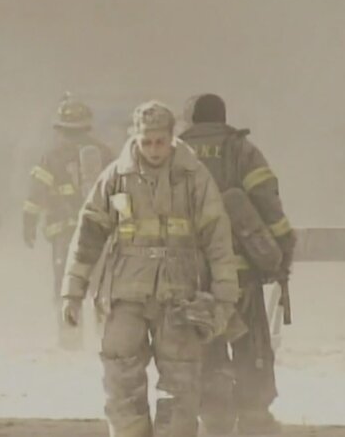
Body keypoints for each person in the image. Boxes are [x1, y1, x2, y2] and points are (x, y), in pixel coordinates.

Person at [61, 100, 244, 437]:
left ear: (171, 138)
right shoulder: (116, 176)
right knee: (120, 375)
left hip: (179, 294)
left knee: (180, 382)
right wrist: (72, 291)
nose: (153, 149)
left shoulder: (194, 177)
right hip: (125, 292)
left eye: (160, 141)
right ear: (137, 138)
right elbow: (88, 235)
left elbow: (218, 239)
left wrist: (224, 296)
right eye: (147, 141)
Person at [179, 93, 296, 435]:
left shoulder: (174, 153)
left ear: (191, 119)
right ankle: (254, 414)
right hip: (241, 269)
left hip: (190, 273)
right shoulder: (241, 150)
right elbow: (267, 201)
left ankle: (214, 414)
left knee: (204, 338)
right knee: (251, 340)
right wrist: (283, 247)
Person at [22, 93, 113, 350]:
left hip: (65, 233)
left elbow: (36, 193)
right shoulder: (105, 153)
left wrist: (28, 223)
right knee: (101, 287)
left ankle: (70, 341)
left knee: (67, 286)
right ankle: (107, 339)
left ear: (59, 128)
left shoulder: (51, 156)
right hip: (101, 232)